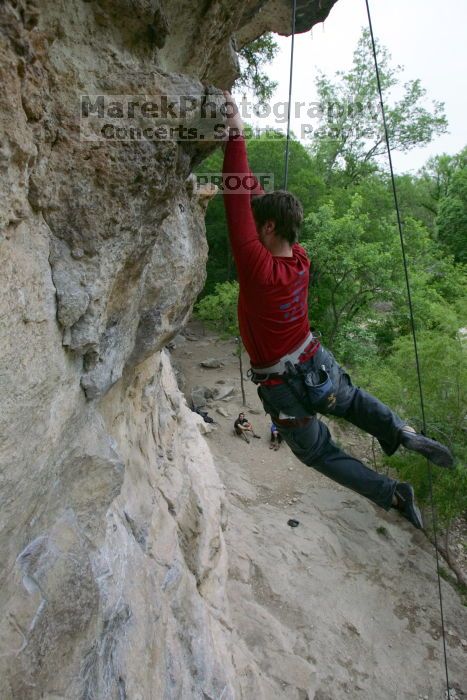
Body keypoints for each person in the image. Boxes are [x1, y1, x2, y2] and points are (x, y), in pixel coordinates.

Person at [221, 92, 454, 530]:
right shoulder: (301, 261)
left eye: (258, 225)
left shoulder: (258, 269)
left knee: (319, 452)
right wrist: (237, 138)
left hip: (282, 384)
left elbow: (237, 197)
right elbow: (250, 199)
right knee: (351, 401)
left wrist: (236, 132)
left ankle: (392, 493)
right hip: (315, 363)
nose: (250, 230)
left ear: (268, 228)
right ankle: (399, 430)